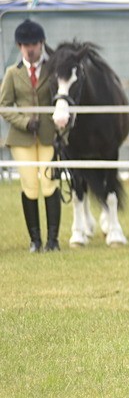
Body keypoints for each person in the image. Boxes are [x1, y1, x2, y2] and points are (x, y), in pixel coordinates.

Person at [1, 20, 61, 252]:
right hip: (22, 138)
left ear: (41, 43)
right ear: (19, 46)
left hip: (47, 136)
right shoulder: (12, 74)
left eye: (34, 43)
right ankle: (35, 240)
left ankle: (52, 241)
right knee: (30, 185)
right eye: (26, 44)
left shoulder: (52, 68)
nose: (30, 49)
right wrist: (25, 122)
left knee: (49, 182)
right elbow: (4, 106)